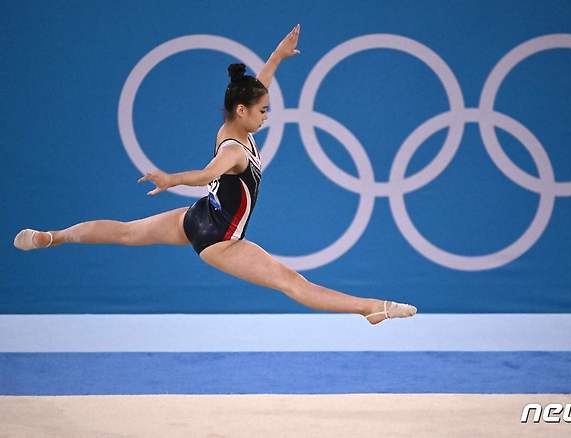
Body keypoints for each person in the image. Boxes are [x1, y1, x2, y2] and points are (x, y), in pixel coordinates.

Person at [14, 24, 416, 325]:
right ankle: (371, 308)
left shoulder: (230, 124)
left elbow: (257, 86)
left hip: (198, 216)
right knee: (295, 285)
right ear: (243, 111)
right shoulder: (233, 149)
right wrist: (170, 179)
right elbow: (209, 170)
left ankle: (53, 237)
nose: (267, 115)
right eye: (262, 111)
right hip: (221, 240)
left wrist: (276, 57)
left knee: (124, 231)